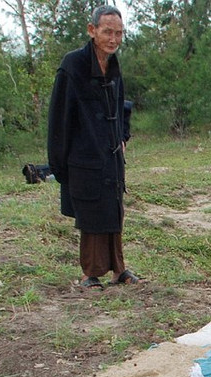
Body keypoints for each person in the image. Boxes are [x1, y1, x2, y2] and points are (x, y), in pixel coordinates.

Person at [47, 5, 140, 289]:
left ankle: (118, 269)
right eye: (107, 32)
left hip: (110, 153)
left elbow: (122, 106)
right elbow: (59, 117)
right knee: (91, 212)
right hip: (83, 154)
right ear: (92, 30)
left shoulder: (113, 65)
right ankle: (90, 273)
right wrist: (59, 163)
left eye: (119, 33)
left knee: (114, 208)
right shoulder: (73, 64)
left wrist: (122, 136)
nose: (114, 39)